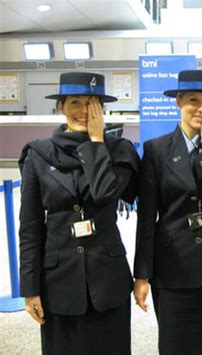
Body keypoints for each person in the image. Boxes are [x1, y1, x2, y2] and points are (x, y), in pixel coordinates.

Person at [18, 72, 139, 355]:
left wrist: (97, 143)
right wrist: (29, 288)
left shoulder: (119, 151)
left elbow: (104, 194)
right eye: (75, 102)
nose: (84, 111)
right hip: (58, 279)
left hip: (107, 278)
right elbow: (30, 226)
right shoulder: (38, 154)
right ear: (61, 107)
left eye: (93, 104)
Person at [133, 70, 202, 355]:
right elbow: (146, 217)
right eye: (194, 100)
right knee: (176, 346)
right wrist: (141, 275)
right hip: (173, 269)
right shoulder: (157, 150)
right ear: (178, 101)